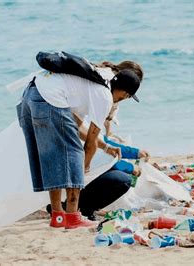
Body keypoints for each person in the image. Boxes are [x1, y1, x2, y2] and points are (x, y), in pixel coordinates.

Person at [16, 59, 141, 229]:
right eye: (125, 97)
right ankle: (73, 216)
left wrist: (105, 146)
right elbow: (90, 143)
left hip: (31, 95)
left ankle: (58, 216)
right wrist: (84, 168)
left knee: (54, 155)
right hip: (48, 99)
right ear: (125, 94)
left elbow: (76, 124)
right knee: (74, 154)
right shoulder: (104, 95)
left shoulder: (93, 79)